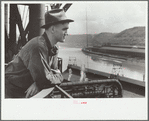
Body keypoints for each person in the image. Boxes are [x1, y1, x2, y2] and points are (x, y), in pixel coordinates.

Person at [5, 9, 74, 98]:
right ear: (52, 29)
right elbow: (45, 79)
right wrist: (42, 81)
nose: (67, 33)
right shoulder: (38, 46)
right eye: (64, 29)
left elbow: (54, 74)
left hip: (24, 90)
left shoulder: (54, 48)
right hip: (10, 90)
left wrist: (39, 83)